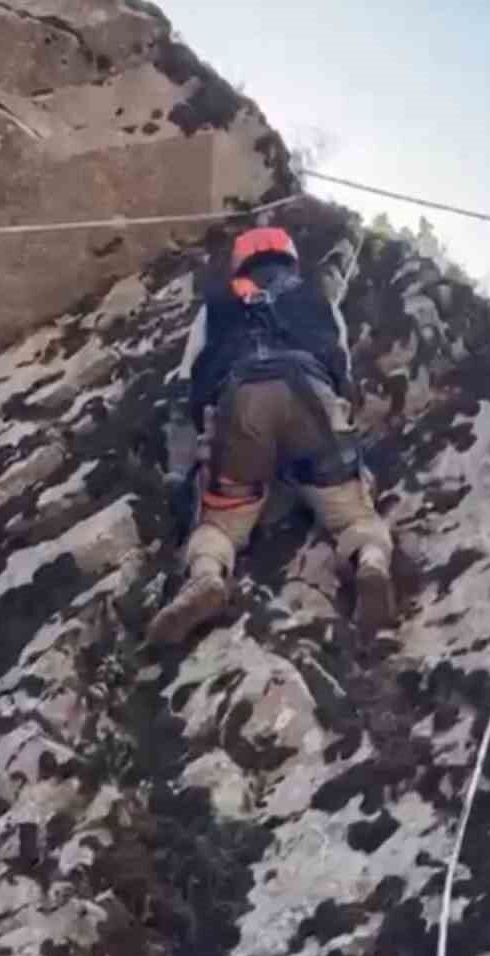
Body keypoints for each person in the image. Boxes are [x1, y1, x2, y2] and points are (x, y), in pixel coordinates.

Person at [146, 224, 396, 648]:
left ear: (241, 263)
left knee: (222, 521)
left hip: (240, 399)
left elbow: (188, 380)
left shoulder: (216, 305)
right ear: (289, 258)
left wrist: (185, 463)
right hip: (310, 393)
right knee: (352, 512)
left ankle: (207, 575)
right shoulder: (318, 299)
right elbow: (343, 372)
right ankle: (371, 561)